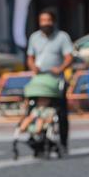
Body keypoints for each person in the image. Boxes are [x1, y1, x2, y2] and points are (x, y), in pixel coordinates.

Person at [26, 9, 73, 149]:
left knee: (61, 112)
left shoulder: (62, 37)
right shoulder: (34, 38)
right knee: (33, 109)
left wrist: (60, 68)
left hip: (56, 80)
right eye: (42, 21)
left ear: (53, 21)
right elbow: (30, 57)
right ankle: (35, 137)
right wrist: (33, 66)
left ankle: (63, 142)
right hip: (40, 80)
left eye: (48, 20)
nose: (45, 23)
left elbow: (69, 57)